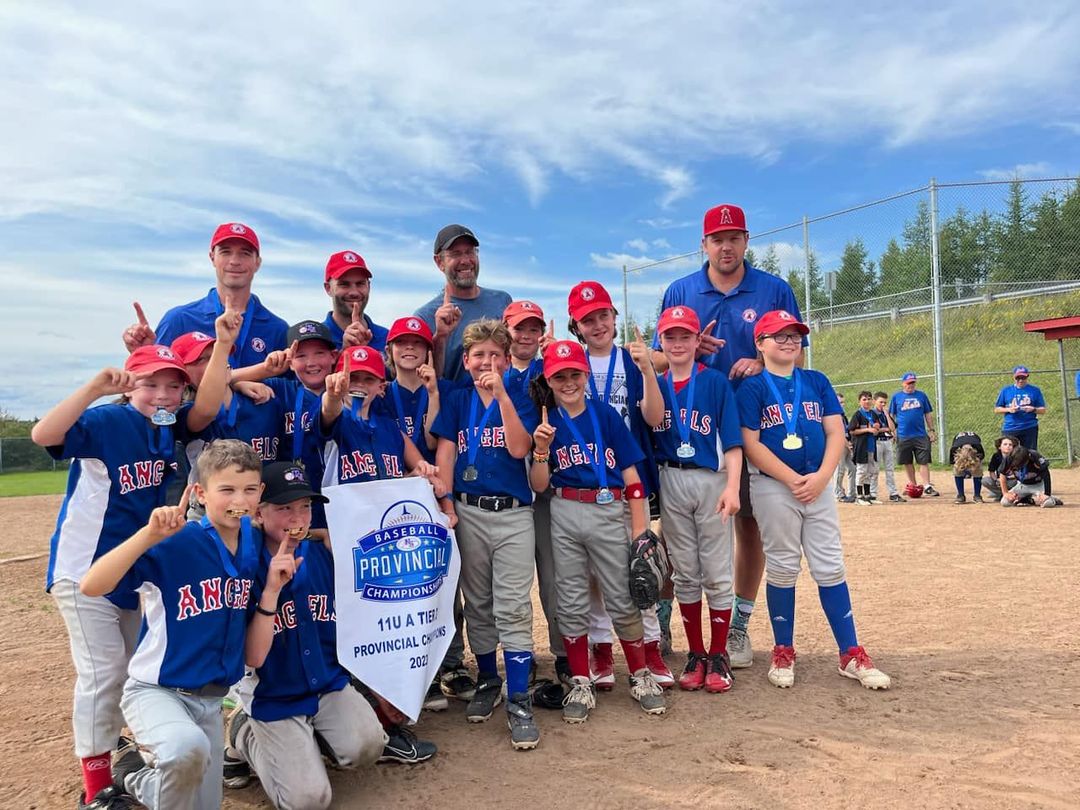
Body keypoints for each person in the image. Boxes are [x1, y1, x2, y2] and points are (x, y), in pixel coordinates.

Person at [32, 316, 236, 810]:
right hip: (85, 569)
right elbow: (43, 434)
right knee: (105, 674)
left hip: (134, 572)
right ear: (130, 386)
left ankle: (134, 754)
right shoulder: (109, 420)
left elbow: (207, 405)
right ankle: (97, 787)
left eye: (173, 386)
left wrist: (225, 343)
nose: (164, 395)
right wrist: (96, 388)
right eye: (151, 384)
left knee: (130, 671)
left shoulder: (168, 429)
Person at [222, 461, 433, 808]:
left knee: (367, 745)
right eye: (284, 508)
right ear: (259, 513)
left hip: (326, 683)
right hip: (273, 694)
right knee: (308, 801)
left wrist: (378, 686)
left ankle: (302, 746)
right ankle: (242, 733)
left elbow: (364, 626)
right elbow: (249, 656)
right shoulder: (245, 566)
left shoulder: (325, 553)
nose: (297, 518)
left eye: (305, 506)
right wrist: (271, 591)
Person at [651, 204, 805, 669]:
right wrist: (688, 350)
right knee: (674, 532)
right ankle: (661, 618)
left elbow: (797, 355)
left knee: (749, 522)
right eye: (717, 239)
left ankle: (738, 623)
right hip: (688, 426)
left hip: (754, 422)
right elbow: (657, 363)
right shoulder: (681, 291)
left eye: (734, 237)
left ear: (746, 241)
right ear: (703, 244)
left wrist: (764, 361)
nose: (725, 246)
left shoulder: (774, 289)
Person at [79, 440, 268, 810]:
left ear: (260, 493)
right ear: (200, 492)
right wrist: (148, 535)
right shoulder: (178, 540)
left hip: (211, 702)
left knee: (199, 799)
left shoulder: (252, 540)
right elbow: (92, 585)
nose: (239, 500)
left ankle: (134, 775)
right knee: (186, 749)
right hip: (158, 692)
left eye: (249, 490)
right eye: (226, 489)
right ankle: (140, 781)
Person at [736, 310, 891, 691]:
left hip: (817, 485)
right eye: (778, 336)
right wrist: (791, 479)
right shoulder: (753, 388)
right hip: (774, 487)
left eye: (794, 337)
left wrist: (822, 478)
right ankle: (783, 649)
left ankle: (851, 653)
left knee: (829, 564)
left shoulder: (816, 381)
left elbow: (836, 432)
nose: (789, 342)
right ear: (760, 344)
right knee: (784, 566)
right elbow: (751, 443)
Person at [529, 340, 666, 721]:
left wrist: (640, 532)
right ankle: (580, 681)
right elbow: (539, 485)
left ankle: (640, 676)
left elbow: (632, 476)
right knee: (571, 598)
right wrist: (541, 450)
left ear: (586, 375)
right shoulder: (548, 424)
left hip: (608, 510)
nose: (569, 382)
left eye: (575, 374)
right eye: (560, 376)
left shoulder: (604, 415)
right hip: (565, 509)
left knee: (622, 593)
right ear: (549, 380)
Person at [430, 319, 540, 750]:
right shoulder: (458, 398)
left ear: (507, 358)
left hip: (513, 513)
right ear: (466, 359)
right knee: (478, 601)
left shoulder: (522, 395)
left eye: (496, 354)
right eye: (479, 355)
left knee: (512, 604)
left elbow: (518, 448)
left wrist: (502, 396)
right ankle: (489, 679)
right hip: (470, 511)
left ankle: (518, 698)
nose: (487, 362)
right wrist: (446, 502)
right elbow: (447, 451)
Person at [649, 306, 743, 694]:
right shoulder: (654, 384)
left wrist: (733, 486)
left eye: (684, 335)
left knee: (717, 571)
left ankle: (719, 655)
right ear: (662, 342)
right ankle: (696, 653)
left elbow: (733, 441)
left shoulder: (715, 382)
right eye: (669, 337)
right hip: (670, 477)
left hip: (711, 479)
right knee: (685, 571)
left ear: (696, 340)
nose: (677, 343)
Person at [503, 300, 570, 684]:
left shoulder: (550, 370)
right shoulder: (492, 368)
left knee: (552, 575)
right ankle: (519, 654)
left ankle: (562, 651)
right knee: (510, 583)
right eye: (519, 328)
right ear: (506, 328)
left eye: (533, 328)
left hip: (545, 484)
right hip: (505, 485)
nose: (526, 336)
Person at [122, 223, 288, 368]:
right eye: (225, 252)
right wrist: (143, 354)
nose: (234, 261)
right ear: (212, 257)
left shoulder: (278, 329)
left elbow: (295, 392)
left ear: (257, 262)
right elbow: (154, 383)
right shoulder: (179, 320)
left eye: (244, 253)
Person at [414, 225, 512, 384]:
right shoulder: (424, 317)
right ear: (439, 262)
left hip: (499, 402)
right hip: (453, 405)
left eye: (470, 252)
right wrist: (440, 337)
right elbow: (425, 381)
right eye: (455, 254)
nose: (466, 261)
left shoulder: (502, 301)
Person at [321, 250, 389, 351]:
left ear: (369, 286)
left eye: (360, 283)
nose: (354, 292)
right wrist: (346, 351)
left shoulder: (388, 339)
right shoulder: (316, 340)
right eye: (344, 284)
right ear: (328, 288)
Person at [889, 372, 939, 497]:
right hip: (903, 434)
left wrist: (931, 430)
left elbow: (927, 414)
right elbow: (891, 416)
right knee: (907, 461)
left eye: (913, 382)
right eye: (908, 383)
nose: (911, 385)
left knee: (923, 461)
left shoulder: (921, 396)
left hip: (920, 434)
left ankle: (927, 485)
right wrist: (892, 432)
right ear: (903, 383)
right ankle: (913, 484)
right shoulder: (896, 397)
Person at [993, 365, 1046, 451]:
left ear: (1027, 377)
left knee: (1029, 454)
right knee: (1009, 454)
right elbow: (997, 409)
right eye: (1018, 378)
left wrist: (1033, 409)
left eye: (1023, 378)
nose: (1021, 380)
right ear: (1014, 377)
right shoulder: (1006, 390)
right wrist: (1009, 409)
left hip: (1029, 427)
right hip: (1011, 427)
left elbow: (1043, 410)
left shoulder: (1035, 390)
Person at [848, 391, 884, 506]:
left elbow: (878, 426)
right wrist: (867, 430)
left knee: (870, 471)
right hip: (861, 447)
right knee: (861, 471)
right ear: (859, 401)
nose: (867, 401)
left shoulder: (873, 414)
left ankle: (868, 496)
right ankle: (859, 497)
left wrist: (877, 427)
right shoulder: (858, 414)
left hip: (871, 446)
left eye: (869, 399)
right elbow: (852, 430)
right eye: (864, 399)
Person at [871, 392, 902, 502]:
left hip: (887, 442)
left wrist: (887, 415)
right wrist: (886, 429)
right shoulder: (871, 413)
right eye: (880, 402)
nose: (883, 404)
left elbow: (892, 428)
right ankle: (872, 493)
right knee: (875, 469)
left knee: (890, 468)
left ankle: (893, 493)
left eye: (885, 402)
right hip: (877, 442)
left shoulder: (885, 413)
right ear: (874, 401)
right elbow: (875, 430)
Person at [949, 431, 986, 504]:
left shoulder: (978, 446)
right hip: (960, 451)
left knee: (977, 471)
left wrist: (973, 467)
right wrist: (961, 468)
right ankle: (960, 495)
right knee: (957, 471)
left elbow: (982, 456)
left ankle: (977, 495)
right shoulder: (954, 448)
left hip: (974, 454)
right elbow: (952, 462)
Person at [833, 392, 857, 504]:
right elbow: (837, 432)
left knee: (852, 468)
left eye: (843, 402)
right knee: (840, 470)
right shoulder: (833, 415)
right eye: (839, 402)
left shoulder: (843, 415)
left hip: (847, 443)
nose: (842, 405)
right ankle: (838, 493)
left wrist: (850, 442)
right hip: (839, 444)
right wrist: (847, 443)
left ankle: (852, 493)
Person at [981, 435, 1018, 500]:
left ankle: (1015, 494)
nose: (1008, 446)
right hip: (1000, 480)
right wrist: (996, 479)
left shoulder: (1017, 456)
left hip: (1013, 480)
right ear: (999, 447)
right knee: (985, 480)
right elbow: (991, 471)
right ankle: (1001, 494)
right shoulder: (996, 456)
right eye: (1005, 444)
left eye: (1010, 445)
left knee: (1017, 482)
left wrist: (1012, 476)